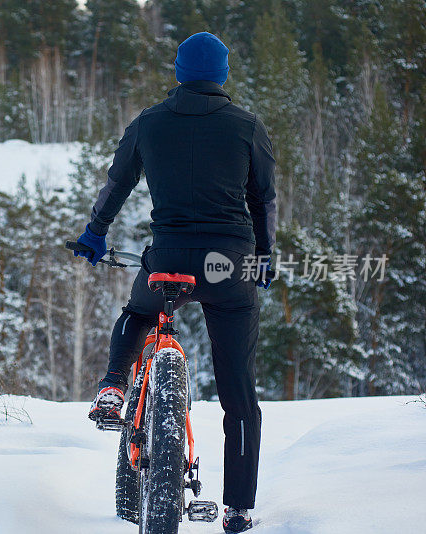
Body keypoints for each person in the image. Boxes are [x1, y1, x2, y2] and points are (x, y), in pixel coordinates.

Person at [75, 32, 276, 534]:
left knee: (139, 313)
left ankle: (113, 388)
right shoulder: (247, 126)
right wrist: (266, 258)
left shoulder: (148, 123)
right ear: (223, 74)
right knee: (239, 396)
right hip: (228, 267)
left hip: (168, 259)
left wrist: (94, 234)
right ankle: (238, 508)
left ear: (179, 70)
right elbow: (264, 199)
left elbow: (117, 183)